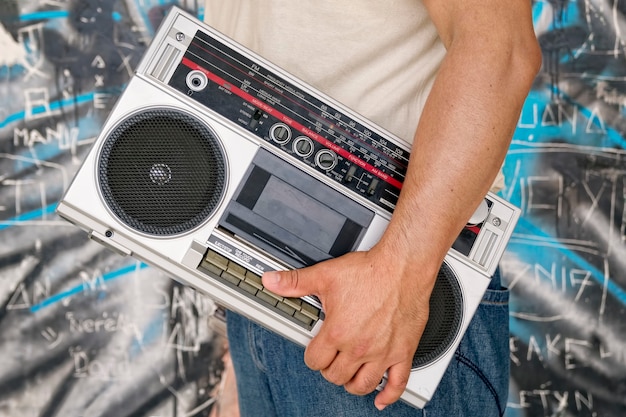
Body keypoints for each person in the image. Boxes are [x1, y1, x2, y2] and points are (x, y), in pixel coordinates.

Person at [203, 1, 541, 416]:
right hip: (264, 301)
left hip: (391, 296)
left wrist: (401, 275)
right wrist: (246, 331)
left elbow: (501, 51)